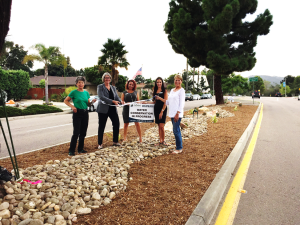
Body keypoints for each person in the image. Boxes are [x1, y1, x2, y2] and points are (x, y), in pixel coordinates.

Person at [64, 76, 95, 156]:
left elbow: (88, 104)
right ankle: (71, 150)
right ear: (76, 84)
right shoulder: (73, 92)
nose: (80, 84)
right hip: (77, 113)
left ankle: (80, 149)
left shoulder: (86, 93)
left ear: (84, 84)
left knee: (83, 132)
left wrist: (92, 102)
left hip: (85, 113)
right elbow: (66, 100)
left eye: (82, 82)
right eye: (79, 82)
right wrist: (72, 106)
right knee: (76, 133)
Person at [155, 74, 185, 154]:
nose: (177, 81)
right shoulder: (172, 90)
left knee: (176, 130)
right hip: (172, 114)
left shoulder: (181, 90)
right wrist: (160, 98)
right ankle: (178, 147)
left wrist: (178, 113)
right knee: (175, 130)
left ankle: (179, 148)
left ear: (181, 81)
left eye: (179, 80)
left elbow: (181, 104)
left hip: (177, 114)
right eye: (176, 80)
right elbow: (168, 102)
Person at [96, 72, 123, 149]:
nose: (107, 79)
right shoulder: (100, 87)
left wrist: (121, 101)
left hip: (112, 109)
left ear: (110, 79)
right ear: (103, 79)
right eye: (106, 77)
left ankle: (115, 141)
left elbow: (116, 97)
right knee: (101, 126)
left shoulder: (113, 87)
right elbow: (101, 97)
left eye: (108, 78)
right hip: (103, 109)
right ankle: (100, 143)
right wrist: (112, 101)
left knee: (116, 123)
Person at [153, 77, 168, 146]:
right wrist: (145, 103)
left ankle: (163, 141)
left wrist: (162, 111)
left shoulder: (164, 91)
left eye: (160, 82)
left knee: (162, 126)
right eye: (157, 82)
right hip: (156, 109)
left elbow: (166, 102)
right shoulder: (155, 90)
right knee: (159, 126)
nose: (159, 83)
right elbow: (154, 102)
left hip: (162, 109)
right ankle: (160, 141)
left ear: (162, 83)